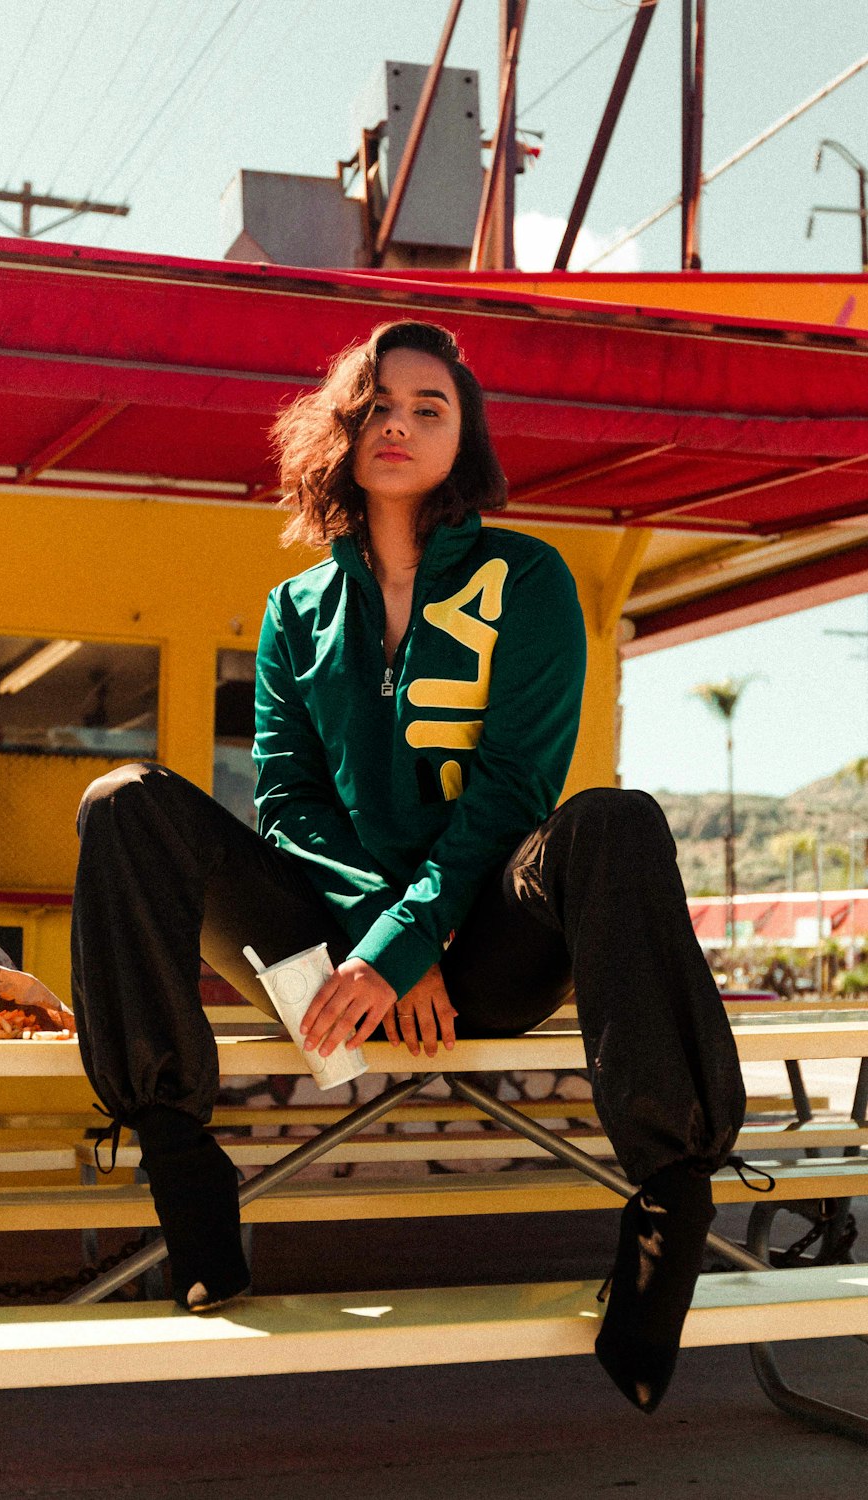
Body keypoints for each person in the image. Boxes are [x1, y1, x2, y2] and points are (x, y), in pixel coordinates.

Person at [70, 319, 747, 1414]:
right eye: (378, 403)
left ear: (463, 436)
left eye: (430, 407)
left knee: (610, 819)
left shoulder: (527, 578)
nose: (400, 423)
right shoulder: (297, 611)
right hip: (324, 947)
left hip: (482, 947)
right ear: (342, 428)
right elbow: (285, 801)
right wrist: (385, 939)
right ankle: (181, 1167)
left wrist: (411, 942)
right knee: (127, 804)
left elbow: (512, 794)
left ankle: (669, 1201)